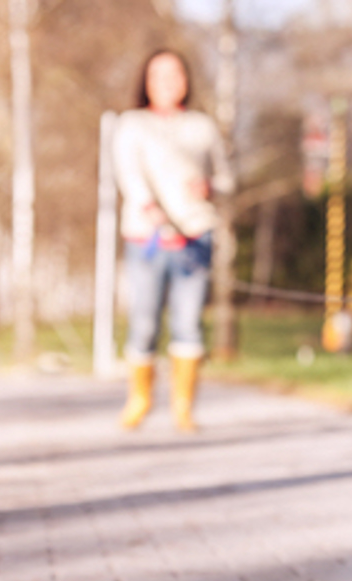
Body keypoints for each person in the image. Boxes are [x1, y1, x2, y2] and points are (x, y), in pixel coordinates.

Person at [113, 49, 231, 432]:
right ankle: (140, 399)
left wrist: (210, 185)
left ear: (186, 80)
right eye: (159, 74)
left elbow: (229, 177)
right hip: (146, 237)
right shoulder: (131, 124)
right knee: (144, 321)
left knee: (189, 322)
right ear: (146, 81)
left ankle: (184, 407)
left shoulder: (202, 126)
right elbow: (129, 175)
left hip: (196, 234)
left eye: (175, 73)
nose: (168, 81)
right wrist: (153, 213)